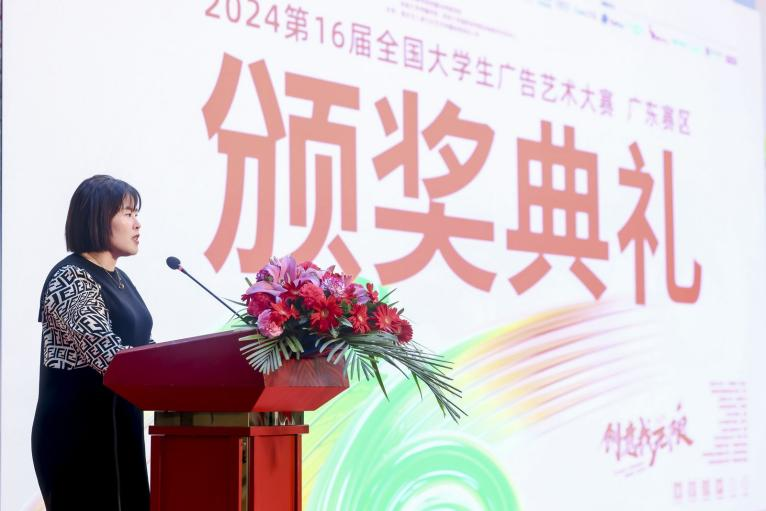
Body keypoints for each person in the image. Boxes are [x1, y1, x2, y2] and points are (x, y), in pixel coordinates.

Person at [31, 175, 152, 511]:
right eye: (128, 213)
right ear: (99, 217)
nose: (137, 224)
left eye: (136, 214)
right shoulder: (70, 277)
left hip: (120, 429)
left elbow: (143, 345)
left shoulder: (120, 279)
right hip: (78, 437)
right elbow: (108, 355)